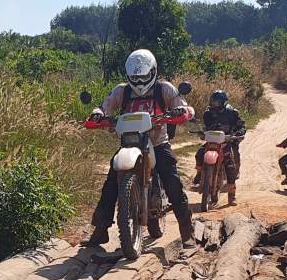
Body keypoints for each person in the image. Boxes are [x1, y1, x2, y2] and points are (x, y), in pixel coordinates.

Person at [85, 49, 196, 248]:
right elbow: (105, 107)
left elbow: (184, 106)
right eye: (135, 77)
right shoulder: (122, 90)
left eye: (144, 76)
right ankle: (100, 230)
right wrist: (98, 114)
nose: (139, 81)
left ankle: (187, 232)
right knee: (111, 183)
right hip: (129, 144)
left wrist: (182, 111)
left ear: (152, 72)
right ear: (128, 75)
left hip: (157, 143)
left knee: (172, 182)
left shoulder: (165, 89)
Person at [192, 89, 245, 205]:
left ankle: (232, 196)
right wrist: (202, 132)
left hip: (226, 141)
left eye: (216, 101)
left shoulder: (232, 113)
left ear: (223, 102)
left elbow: (241, 125)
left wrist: (238, 133)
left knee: (230, 165)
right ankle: (200, 173)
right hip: (212, 141)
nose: (214, 104)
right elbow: (206, 127)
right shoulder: (208, 113)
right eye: (213, 101)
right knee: (199, 154)